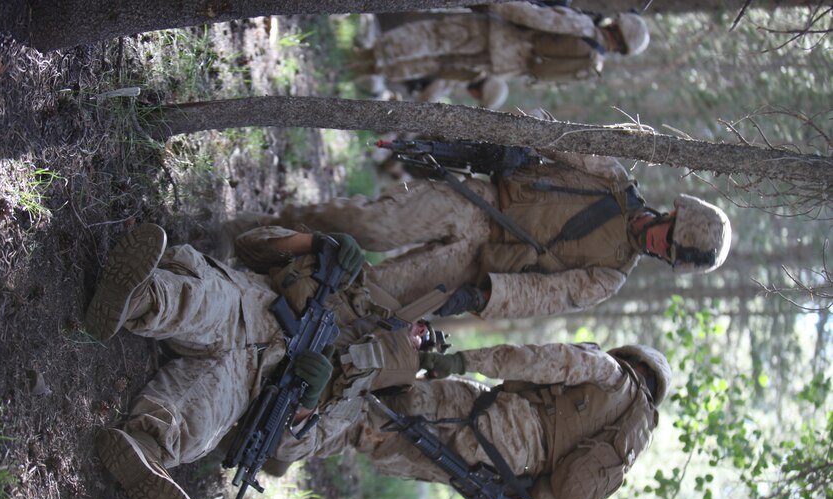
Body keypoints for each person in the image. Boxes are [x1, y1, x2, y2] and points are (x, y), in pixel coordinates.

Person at [86, 223, 437, 499]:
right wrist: (314, 242)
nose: (419, 334)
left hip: (251, 380)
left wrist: (308, 402)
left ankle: (143, 452)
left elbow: (290, 447)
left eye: (423, 343)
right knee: (202, 301)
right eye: (423, 328)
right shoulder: (352, 278)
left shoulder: (351, 405)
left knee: (201, 419)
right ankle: (136, 298)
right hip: (251, 307)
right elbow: (251, 244)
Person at [221, 115, 732, 321]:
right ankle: (261, 227)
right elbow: (546, 136)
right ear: (673, 215)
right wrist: (481, 144)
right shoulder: (612, 176)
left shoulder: (609, 278)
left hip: (473, 266)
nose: (660, 250)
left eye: (669, 257)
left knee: (369, 289)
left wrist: (479, 299)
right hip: (476, 202)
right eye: (669, 240)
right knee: (370, 227)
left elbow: (544, 296)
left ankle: (259, 281)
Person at [272, 341, 672, 499]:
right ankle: (284, 440)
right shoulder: (623, 446)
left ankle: (278, 425)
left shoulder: (610, 373)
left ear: (635, 361)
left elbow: (532, 359)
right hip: (489, 470)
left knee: (372, 401)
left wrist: (463, 360)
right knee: (371, 435)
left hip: (483, 417)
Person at [352, 3, 650, 88]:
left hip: (497, 35)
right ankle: (379, 69)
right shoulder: (592, 66)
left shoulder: (583, 28)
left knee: (434, 35)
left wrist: (496, 5)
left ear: (617, 26)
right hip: (501, 65)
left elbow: (536, 17)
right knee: (437, 64)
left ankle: (369, 57)